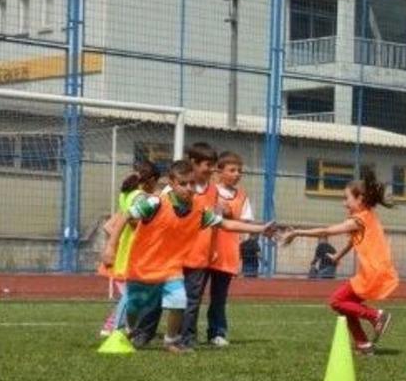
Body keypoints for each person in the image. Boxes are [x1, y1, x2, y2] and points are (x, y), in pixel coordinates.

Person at [101, 160, 275, 354]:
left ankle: (171, 341)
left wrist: (260, 228)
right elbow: (125, 216)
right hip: (144, 265)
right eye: (183, 184)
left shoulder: (198, 210)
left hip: (171, 267)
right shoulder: (155, 203)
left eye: (192, 183)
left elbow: (226, 224)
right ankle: (127, 331)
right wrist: (110, 247)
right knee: (135, 306)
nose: (189, 188)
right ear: (172, 183)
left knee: (178, 300)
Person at [279, 170, 397, 354]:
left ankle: (376, 316)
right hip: (377, 270)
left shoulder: (358, 220)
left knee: (336, 301)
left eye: (346, 198)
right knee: (345, 305)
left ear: (360, 199)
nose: (344, 203)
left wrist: (297, 232)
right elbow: (353, 241)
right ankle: (363, 344)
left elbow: (326, 231)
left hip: (372, 272)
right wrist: (338, 257)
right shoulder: (367, 215)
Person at [98, 160, 160, 336]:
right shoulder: (140, 197)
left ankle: (122, 326)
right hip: (135, 249)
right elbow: (134, 222)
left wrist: (116, 241)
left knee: (134, 293)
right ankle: (114, 327)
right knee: (132, 293)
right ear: (152, 180)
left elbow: (109, 226)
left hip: (125, 247)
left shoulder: (126, 194)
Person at [204, 151, 254, 347]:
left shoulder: (242, 196)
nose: (237, 174)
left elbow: (245, 223)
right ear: (219, 171)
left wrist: (229, 213)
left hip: (227, 254)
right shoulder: (208, 190)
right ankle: (185, 332)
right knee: (193, 295)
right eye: (232, 170)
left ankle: (217, 332)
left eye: (239, 171)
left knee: (219, 297)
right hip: (204, 251)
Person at [177, 142, 220, 349]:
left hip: (199, 253)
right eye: (207, 165)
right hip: (176, 253)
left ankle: (187, 337)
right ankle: (144, 333)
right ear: (193, 162)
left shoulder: (214, 190)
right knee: (160, 296)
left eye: (213, 165)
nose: (211, 169)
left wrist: (213, 248)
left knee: (193, 298)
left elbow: (215, 222)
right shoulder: (177, 188)